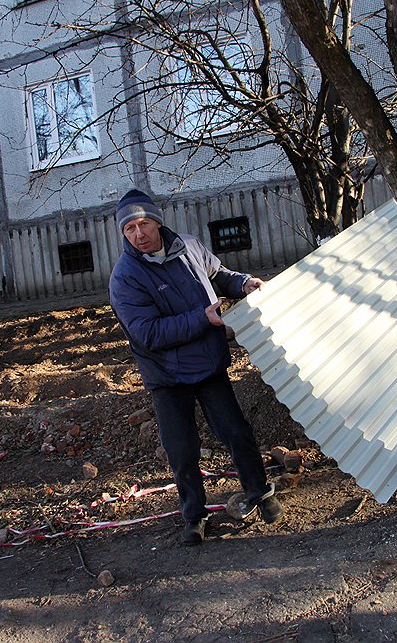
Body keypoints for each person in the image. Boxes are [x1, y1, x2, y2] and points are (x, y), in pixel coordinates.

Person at [109, 189, 283, 545]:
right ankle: (194, 515)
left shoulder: (189, 246)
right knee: (181, 449)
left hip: (207, 364)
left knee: (236, 432)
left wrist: (243, 283)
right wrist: (202, 319)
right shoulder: (124, 277)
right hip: (167, 376)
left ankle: (260, 493)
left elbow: (218, 275)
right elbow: (147, 333)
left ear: (158, 222)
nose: (138, 234)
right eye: (129, 229)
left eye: (143, 224)